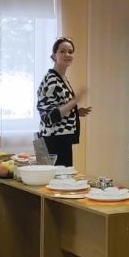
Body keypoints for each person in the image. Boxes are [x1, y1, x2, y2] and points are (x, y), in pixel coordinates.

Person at [36, 37, 91, 167]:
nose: (67, 54)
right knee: (59, 178)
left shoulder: (61, 78)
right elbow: (49, 117)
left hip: (61, 139)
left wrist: (75, 112)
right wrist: (74, 101)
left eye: (70, 52)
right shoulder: (51, 79)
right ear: (54, 55)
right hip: (53, 141)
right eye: (62, 51)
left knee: (65, 177)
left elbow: (58, 107)